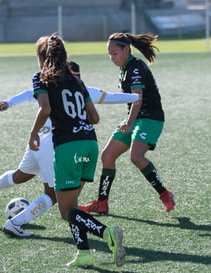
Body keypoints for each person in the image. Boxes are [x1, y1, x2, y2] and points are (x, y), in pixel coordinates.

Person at [0, 61, 139, 238]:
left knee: (22, 175)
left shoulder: (50, 87)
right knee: (54, 194)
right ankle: (16, 223)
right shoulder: (83, 89)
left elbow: (28, 94)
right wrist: (136, 97)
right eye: (74, 75)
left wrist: (9, 102)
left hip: (38, 141)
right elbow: (110, 98)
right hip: (54, 143)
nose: (76, 79)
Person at [27, 34, 126, 268]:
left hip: (68, 147)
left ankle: (107, 233)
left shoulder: (41, 78)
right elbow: (95, 117)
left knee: (66, 211)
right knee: (72, 205)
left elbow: (44, 109)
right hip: (89, 144)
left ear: (42, 57)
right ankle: (84, 253)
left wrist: (33, 134)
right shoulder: (76, 80)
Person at [78, 32, 175, 215]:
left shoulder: (136, 67)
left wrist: (129, 124)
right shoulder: (125, 68)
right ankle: (102, 203)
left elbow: (137, 98)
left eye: (114, 53)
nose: (111, 58)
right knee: (107, 156)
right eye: (109, 54)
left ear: (126, 49)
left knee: (136, 157)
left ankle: (164, 194)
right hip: (135, 118)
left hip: (150, 118)